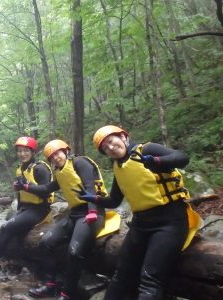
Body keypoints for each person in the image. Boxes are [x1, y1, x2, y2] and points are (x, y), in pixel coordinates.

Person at [77, 125, 201, 300]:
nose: (110, 148)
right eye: (105, 148)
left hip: (169, 221)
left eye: (111, 142)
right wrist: (92, 198)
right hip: (141, 224)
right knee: (121, 276)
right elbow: (114, 201)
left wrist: (157, 162)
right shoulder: (118, 167)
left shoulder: (147, 149)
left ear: (123, 137)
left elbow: (182, 157)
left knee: (150, 281)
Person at [27, 139, 107, 300]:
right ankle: (50, 284)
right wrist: (26, 187)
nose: (56, 157)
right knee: (45, 243)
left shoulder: (80, 162)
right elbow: (46, 189)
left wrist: (92, 211)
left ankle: (67, 293)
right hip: (75, 213)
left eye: (58, 153)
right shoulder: (60, 172)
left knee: (74, 251)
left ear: (66, 151)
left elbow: (89, 186)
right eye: (52, 157)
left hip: (94, 211)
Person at [0, 136, 54, 277]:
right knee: (9, 232)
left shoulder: (40, 168)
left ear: (32, 152)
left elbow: (46, 191)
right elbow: (23, 191)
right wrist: (19, 189)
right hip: (26, 209)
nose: (22, 154)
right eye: (19, 151)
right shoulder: (21, 168)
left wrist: (25, 187)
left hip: (40, 210)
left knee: (6, 227)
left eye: (26, 151)